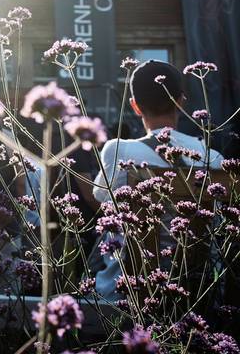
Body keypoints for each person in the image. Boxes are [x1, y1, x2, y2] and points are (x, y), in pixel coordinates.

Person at [92, 59, 224, 300]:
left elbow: (101, 199)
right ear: (181, 101)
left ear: (135, 106)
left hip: (126, 295)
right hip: (200, 296)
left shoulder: (118, 150)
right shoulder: (212, 158)